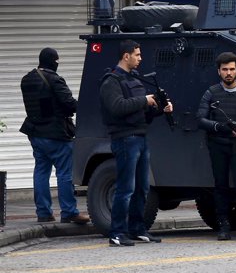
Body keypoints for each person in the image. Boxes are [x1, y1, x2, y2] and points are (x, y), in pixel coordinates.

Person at [99, 39, 173, 247]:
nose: (140, 59)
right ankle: (117, 232)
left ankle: (137, 228)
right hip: (124, 139)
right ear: (126, 56)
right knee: (125, 188)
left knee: (142, 187)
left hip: (141, 137)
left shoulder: (136, 80)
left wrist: (160, 109)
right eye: (137, 55)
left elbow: (143, 114)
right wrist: (145, 100)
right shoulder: (111, 81)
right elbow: (117, 107)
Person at [19, 47, 90, 225]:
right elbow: (68, 104)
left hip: (35, 133)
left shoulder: (27, 79)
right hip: (56, 134)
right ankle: (69, 212)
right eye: (57, 61)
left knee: (41, 171)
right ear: (53, 61)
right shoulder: (55, 80)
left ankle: (43, 213)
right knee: (65, 173)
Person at [197, 52, 236, 241]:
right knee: (221, 186)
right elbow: (200, 119)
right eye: (225, 69)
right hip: (218, 146)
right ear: (219, 71)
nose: (228, 73)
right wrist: (220, 128)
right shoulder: (211, 93)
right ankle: (223, 225)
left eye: (232, 69)